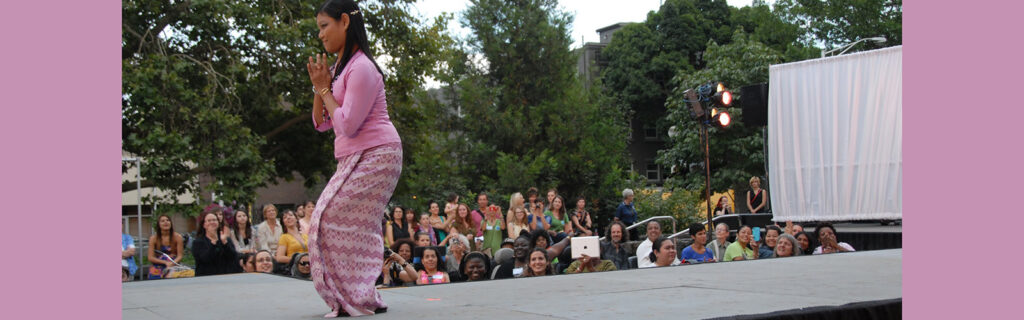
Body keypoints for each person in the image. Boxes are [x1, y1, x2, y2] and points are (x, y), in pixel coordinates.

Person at [306, 1, 403, 313]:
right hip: (356, 156)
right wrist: (319, 88)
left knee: (328, 219)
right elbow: (321, 124)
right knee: (349, 225)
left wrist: (325, 90)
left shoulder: (362, 68)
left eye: (324, 26)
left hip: (378, 154)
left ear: (344, 21)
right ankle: (362, 295)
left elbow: (347, 123)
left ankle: (355, 295)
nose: (320, 34)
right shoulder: (341, 69)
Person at [193, 211, 242, 276]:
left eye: (214, 220)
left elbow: (233, 257)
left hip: (224, 276)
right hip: (205, 277)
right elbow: (205, 259)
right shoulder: (198, 242)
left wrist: (225, 243)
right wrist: (213, 242)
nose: (212, 222)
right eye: (209, 220)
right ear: (204, 225)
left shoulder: (226, 239)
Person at [147, 214, 184, 279]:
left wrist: (172, 264)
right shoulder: (153, 238)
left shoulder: (178, 237)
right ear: (158, 225)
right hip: (158, 265)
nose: (166, 222)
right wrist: (165, 262)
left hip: (173, 265)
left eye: (168, 220)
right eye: (162, 221)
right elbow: (150, 257)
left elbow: (180, 256)